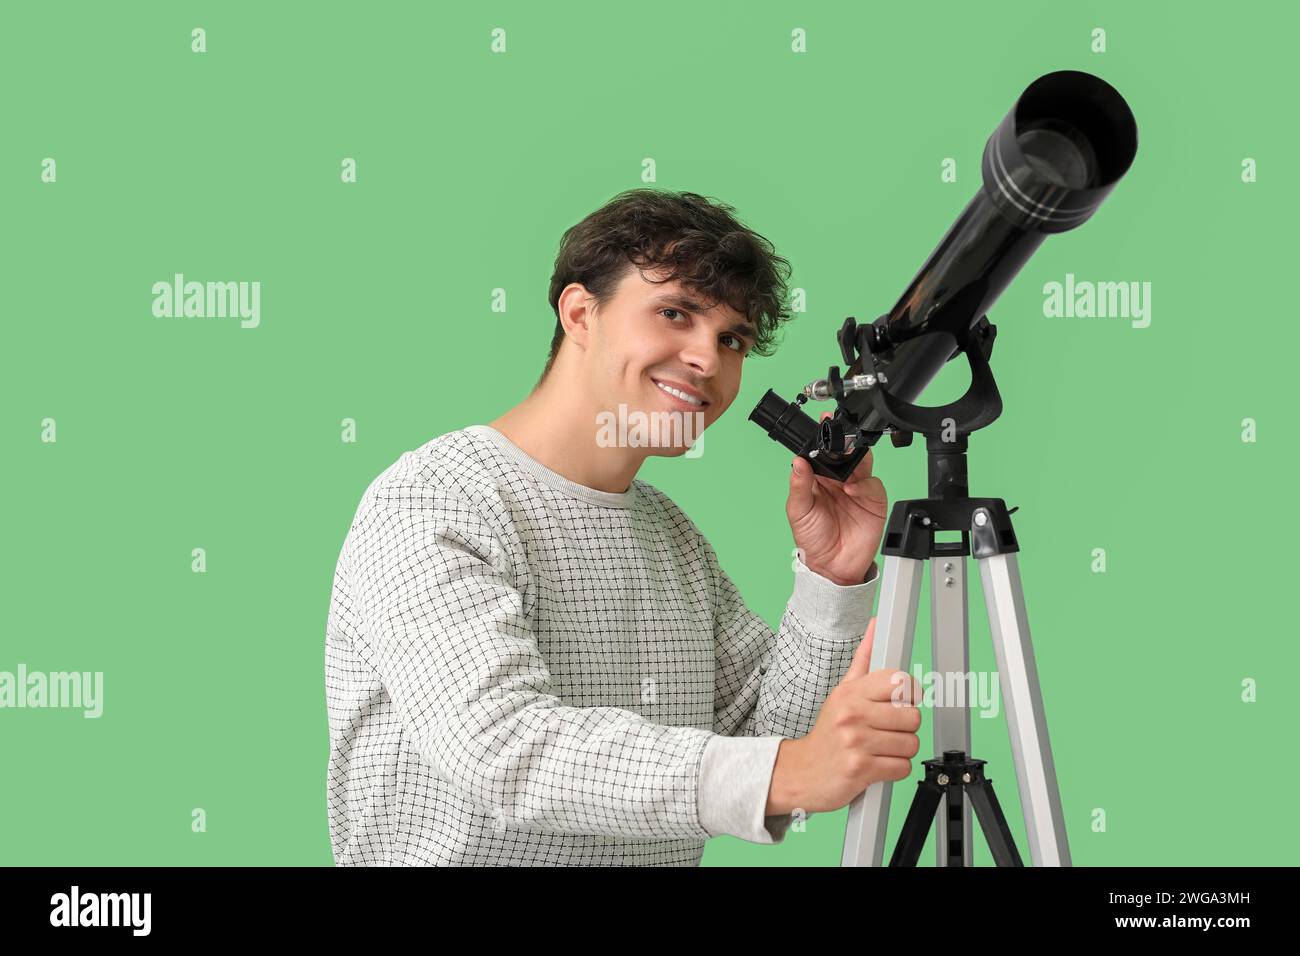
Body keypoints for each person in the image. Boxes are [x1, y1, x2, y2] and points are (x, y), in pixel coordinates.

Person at [325, 188, 922, 865]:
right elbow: (499, 746)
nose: (707, 359)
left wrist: (829, 574)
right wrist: (788, 771)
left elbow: (768, 744)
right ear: (581, 313)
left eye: (732, 339)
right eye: (675, 313)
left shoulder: (671, 536)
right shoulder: (434, 499)